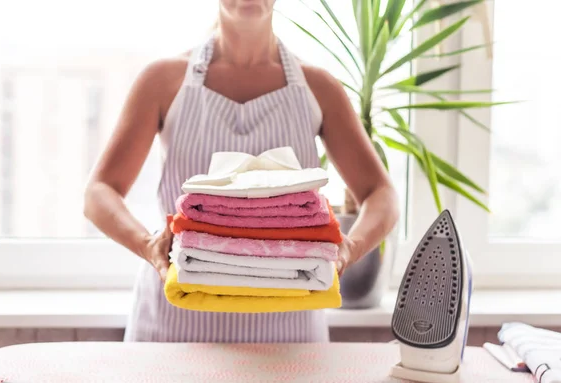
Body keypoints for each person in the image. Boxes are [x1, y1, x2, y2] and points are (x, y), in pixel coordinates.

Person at [83, 0, 399, 343]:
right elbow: (99, 190)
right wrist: (148, 245)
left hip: (288, 341)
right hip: (173, 331)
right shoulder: (163, 81)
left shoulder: (319, 88)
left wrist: (349, 247)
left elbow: (380, 193)